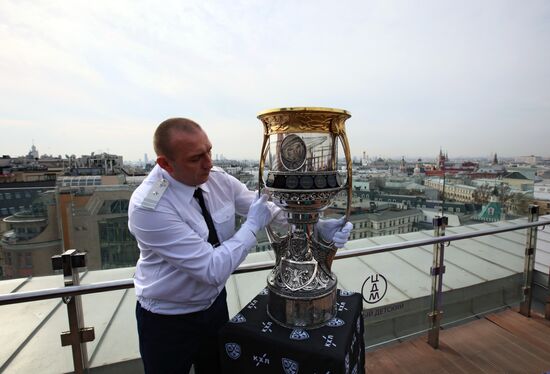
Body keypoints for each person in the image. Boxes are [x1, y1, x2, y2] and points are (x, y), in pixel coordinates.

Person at [128, 117, 352, 374]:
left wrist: (315, 225)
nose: (209, 163)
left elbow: (266, 209)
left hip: (213, 305)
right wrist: (251, 226)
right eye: (195, 158)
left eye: (209, 150)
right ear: (165, 164)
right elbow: (211, 269)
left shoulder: (216, 178)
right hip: (167, 320)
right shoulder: (149, 207)